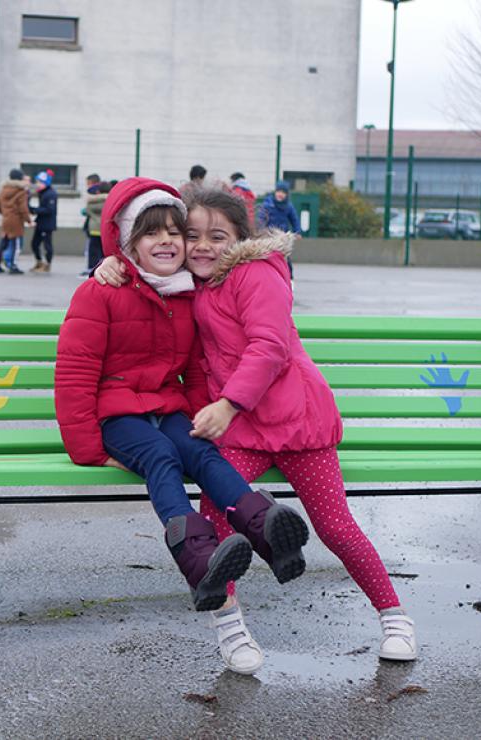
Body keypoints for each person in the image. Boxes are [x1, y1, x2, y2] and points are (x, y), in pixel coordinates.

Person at [94, 187, 418, 673]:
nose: (202, 246)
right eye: (192, 235)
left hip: (297, 425)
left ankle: (395, 618)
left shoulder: (257, 275)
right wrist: (108, 265)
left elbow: (269, 347)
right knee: (215, 524)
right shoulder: (187, 284)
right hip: (241, 432)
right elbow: (144, 267)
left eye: (217, 236)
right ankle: (231, 631)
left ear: (241, 240)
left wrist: (226, 405)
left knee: (334, 526)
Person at [55, 177, 310, 618]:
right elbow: (75, 374)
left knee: (201, 453)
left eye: (174, 231)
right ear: (129, 242)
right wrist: (88, 451)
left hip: (166, 406)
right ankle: (198, 560)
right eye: (151, 232)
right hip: (117, 416)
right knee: (161, 455)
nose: (167, 241)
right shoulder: (101, 290)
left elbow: (193, 369)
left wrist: (197, 417)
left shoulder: (187, 293)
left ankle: (266, 531)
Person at [256, 179, 299, 278]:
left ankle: (289, 276)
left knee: (285, 258)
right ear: (275, 192)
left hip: (282, 236)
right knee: (269, 255)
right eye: (279, 191)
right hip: (269, 235)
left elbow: (294, 219)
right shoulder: (268, 204)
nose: (280, 194)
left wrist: (297, 231)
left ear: (287, 195)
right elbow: (261, 218)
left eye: (283, 192)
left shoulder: (288, 206)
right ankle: (268, 275)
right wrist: (260, 229)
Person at [0, 168, 32, 274]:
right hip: (16, 221)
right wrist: (29, 220)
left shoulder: (4, 189)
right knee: (15, 243)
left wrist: (4, 213)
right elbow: (23, 208)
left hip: (6, 219)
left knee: (3, 242)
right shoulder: (21, 191)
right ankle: (13, 266)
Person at [30, 170, 58, 273]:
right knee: (34, 244)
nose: (37, 184)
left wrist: (35, 210)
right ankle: (39, 262)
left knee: (47, 245)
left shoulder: (50, 194)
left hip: (47, 224)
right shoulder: (43, 193)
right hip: (41, 223)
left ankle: (47, 264)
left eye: (39, 182)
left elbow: (49, 210)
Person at [81, 180, 109, 276]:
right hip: (105, 229)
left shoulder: (93, 202)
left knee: (93, 251)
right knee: (103, 251)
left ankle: (91, 269)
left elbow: (87, 210)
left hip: (94, 229)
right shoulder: (111, 201)